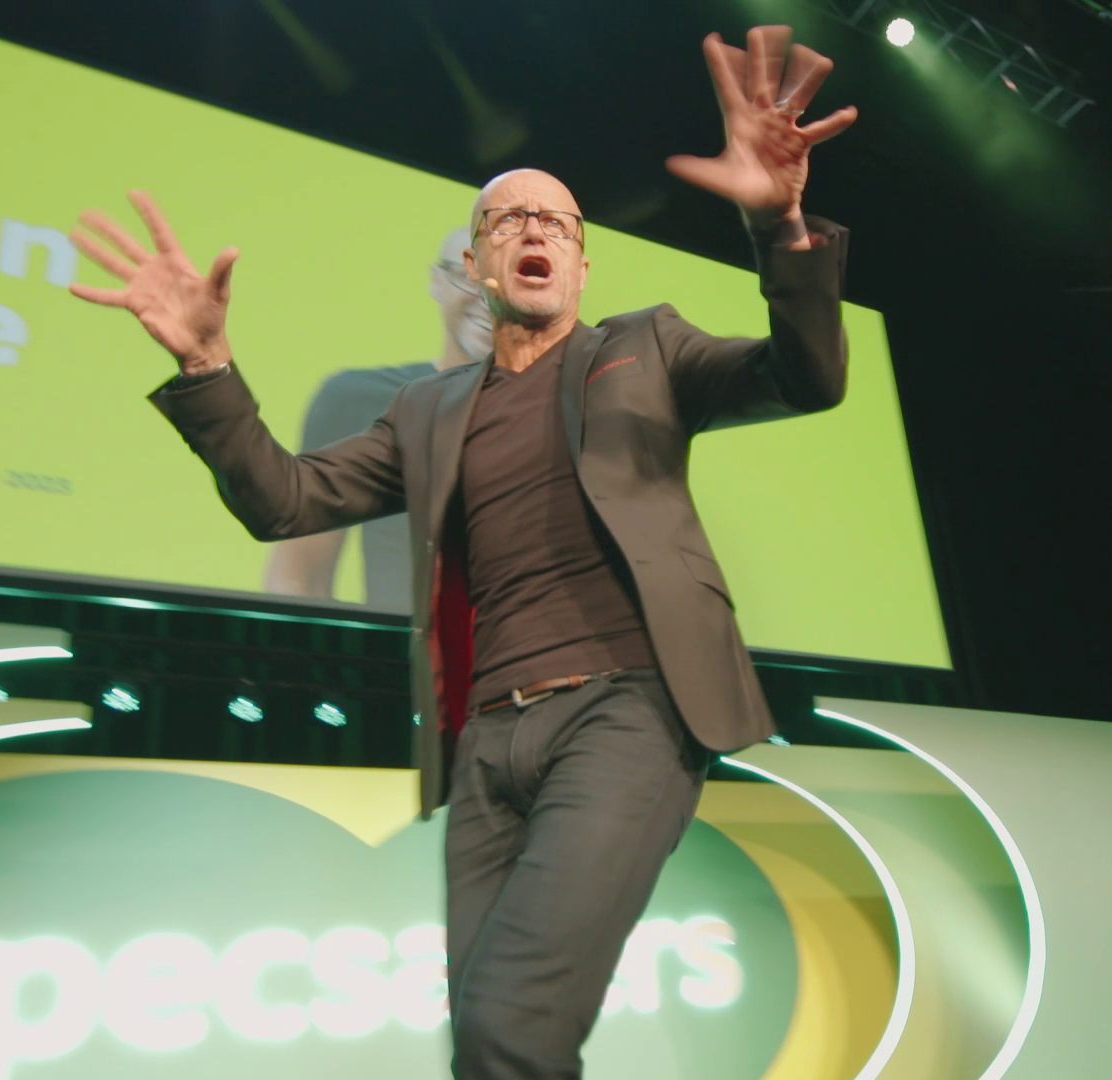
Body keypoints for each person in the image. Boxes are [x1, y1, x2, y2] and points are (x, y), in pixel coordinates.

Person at [67, 25, 857, 1080]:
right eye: (507, 219)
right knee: (488, 1051)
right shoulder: (422, 411)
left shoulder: (647, 350)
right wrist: (209, 364)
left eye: (555, 220)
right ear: (477, 260)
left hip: (626, 714)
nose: (534, 230)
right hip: (486, 744)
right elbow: (285, 503)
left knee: (510, 1024)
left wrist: (781, 228)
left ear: (579, 257)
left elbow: (805, 377)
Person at [261, 227, 492, 606]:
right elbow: (299, 578)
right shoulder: (358, 400)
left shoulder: (562, 414)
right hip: (395, 661)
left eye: (506, 281)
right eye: (470, 277)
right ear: (436, 281)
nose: (488, 297)